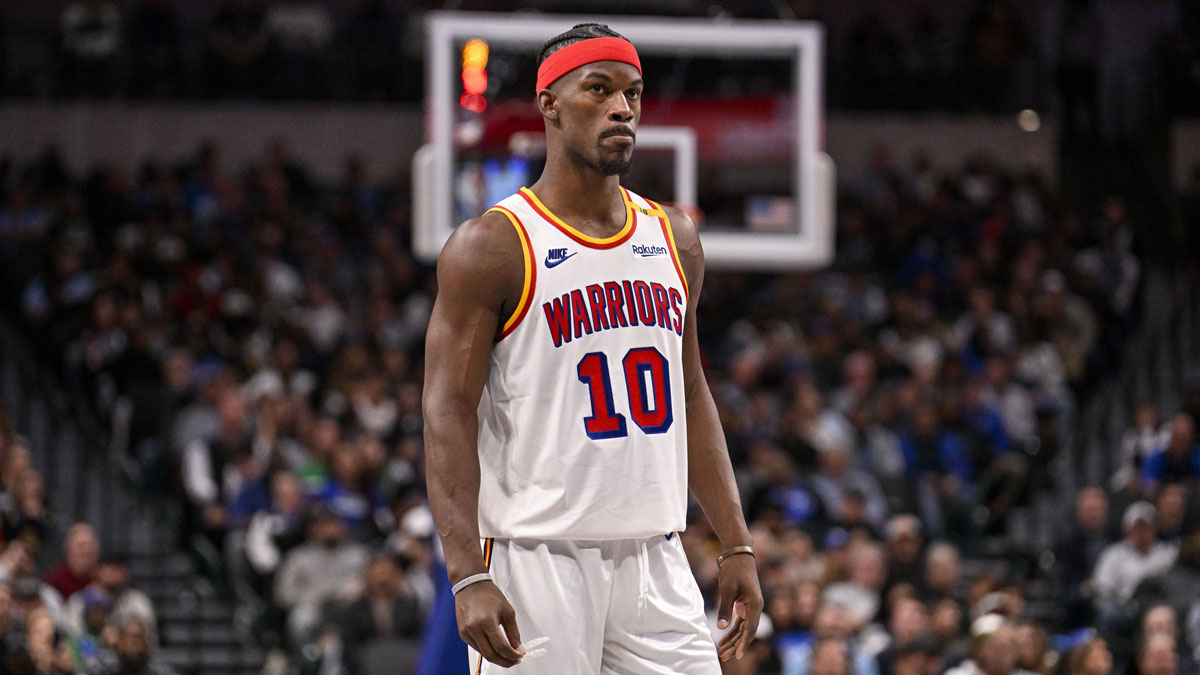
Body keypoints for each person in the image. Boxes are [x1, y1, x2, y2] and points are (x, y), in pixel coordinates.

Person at [422, 22, 763, 673]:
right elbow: (446, 410)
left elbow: (690, 392)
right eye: (599, 89)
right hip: (536, 557)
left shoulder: (675, 237)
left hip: (655, 555)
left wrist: (736, 542)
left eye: (633, 93)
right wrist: (466, 572)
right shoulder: (492, 245)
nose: (622, 107)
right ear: (549, 102)